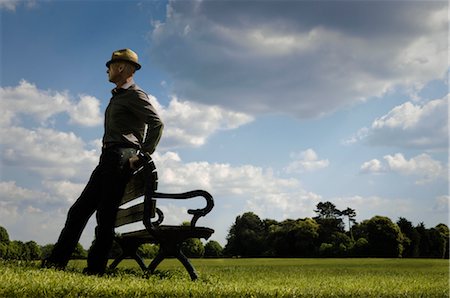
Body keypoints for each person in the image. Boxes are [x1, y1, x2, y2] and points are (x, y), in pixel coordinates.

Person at [43, 48, 164, 275]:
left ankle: (96, 269)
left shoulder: (136, 95)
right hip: (109, 158)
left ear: (120, 67)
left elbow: (157, 124)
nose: (106, 70)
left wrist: (143, 154)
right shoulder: (119, 95)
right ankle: (56, 262)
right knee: (78, 211)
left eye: (110, 66)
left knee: (105, 216)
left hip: (120, 157)